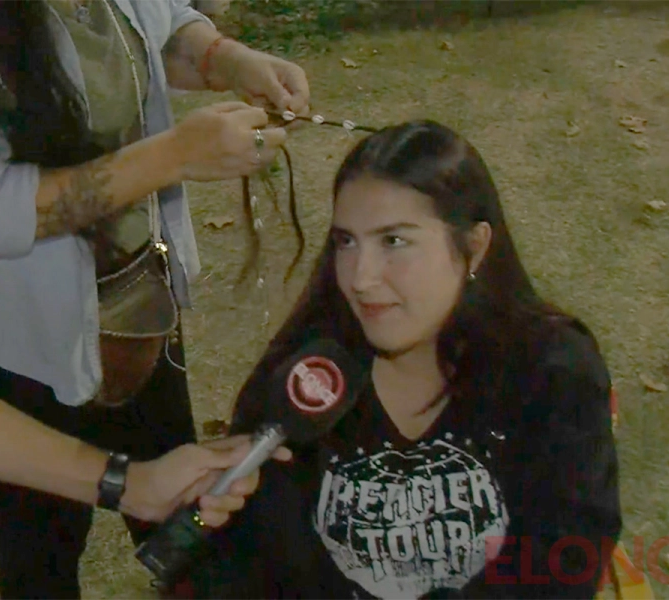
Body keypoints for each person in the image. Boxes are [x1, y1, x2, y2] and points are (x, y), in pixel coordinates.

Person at [0, 1, 311, 598]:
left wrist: (223, 57)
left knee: (187, 507)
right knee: (39, 528)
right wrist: (174, 155)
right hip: (2, 338)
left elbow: (155, 24)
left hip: (129, 304)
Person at [184, 120, 623, 599]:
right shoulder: (309, 378)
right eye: (346, 242)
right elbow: (244, 561)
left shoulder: (551, 370)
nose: (361, 278)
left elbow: (564, 564)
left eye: (393, 241)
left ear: (474, 247)